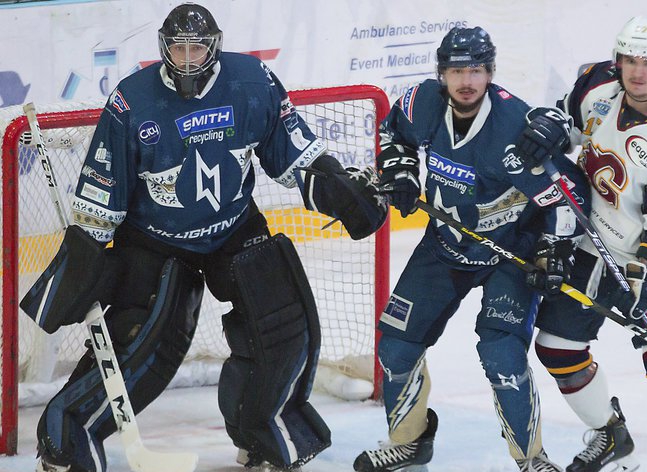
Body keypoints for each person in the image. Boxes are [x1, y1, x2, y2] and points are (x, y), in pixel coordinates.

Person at [22, 3, 386, 472]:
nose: (188, 58)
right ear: (163, 48)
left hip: (233, 227)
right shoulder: (132, 102)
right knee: (140, 346)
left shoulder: (252, 83)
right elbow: (101, 195)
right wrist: (83, 262)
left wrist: (341, 190)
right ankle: (66, 447)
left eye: (197, 47)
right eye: (179, 48)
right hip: (154, 239)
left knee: (282, 323)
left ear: (214, 46)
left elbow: (295, 153)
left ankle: (262, 436)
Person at [352, 26, 589, 472]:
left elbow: (567, 196)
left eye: (476, 70)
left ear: (490, 73)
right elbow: (392, 133)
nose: (466, 81)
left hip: (508, 255)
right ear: (441, 73)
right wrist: (402, 168)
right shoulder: (420, 102)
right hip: (444, 246)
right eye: (457, 70)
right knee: (396, 350)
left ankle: (532, 459)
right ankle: (410, 441)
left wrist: (553, 250)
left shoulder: (514, 129)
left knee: (502, 355)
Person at [519, 17, 647, 472]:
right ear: (617, 60)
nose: (638, 71)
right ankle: (610, 434)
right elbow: (567, 125)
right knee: (557, 348)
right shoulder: (595, 85)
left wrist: (645, 271)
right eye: (629, 59)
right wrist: (549, 130)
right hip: (594, 240)